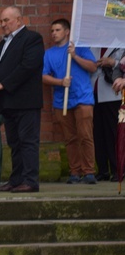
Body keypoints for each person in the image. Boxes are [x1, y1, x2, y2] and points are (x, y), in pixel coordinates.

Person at [0, 6, 44, 193]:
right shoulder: (4, 43)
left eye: (6, 20)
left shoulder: (32, 39)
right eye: (1, 21)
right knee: (14, 143)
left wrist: (2, 85)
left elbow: (28, 67)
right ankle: (16, 179)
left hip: (26, 102)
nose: (2, 24)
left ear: (18, 20)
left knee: (28, 141)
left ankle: (30, 180)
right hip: (8, 103)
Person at [42, 19, 97, 184]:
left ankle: (89, 172)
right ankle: (75, 172)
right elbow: (44, 76)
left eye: (57, 30)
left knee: (85, 135)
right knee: (70, 138)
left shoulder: (79, 47)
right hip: (62, 101)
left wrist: (74, 56)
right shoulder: (49, 53)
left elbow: (93, 67)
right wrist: (60, 82)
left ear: (67, 32)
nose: (54, 33)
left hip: (83, 98)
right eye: (52, 31)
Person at [93, 47, 125, 181]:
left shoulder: (120, 45)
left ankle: (118, 169)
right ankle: (103, 169)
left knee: (113, 133)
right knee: (98, 134)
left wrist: (112, 62)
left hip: (113, 93)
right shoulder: (92, 46)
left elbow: (121, 65)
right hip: (94, 91)